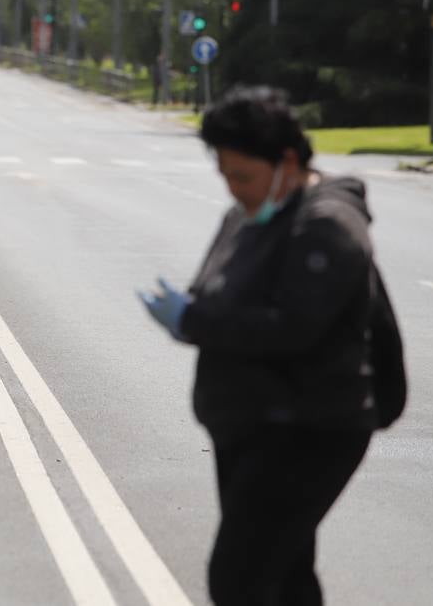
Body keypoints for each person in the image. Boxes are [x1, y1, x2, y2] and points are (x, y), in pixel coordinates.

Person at [138, 85, 406, 606]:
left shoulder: (327, 224)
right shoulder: (248, 215)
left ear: (285, 160)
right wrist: (192, 310)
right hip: (249, 420)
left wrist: (195, 321)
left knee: (239, 578)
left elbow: (293, 328)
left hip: (308, 426)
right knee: (283, 579)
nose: (235, 189)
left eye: (243, 176)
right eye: (225, 176)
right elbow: (215, 288)